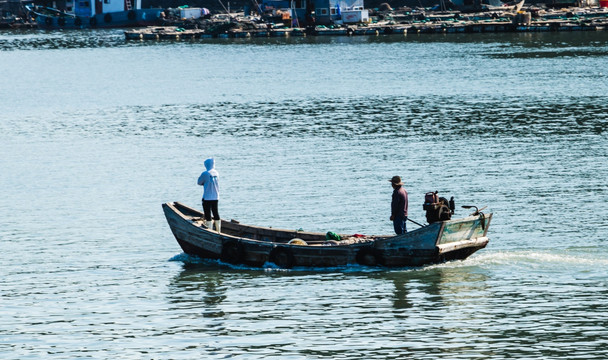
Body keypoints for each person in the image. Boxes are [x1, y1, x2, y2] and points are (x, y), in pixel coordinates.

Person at [197, 158, 221, 233]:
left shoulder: (205, 173)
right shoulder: (216, 173)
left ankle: (210, 231)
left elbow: (199, 182)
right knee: (216, 213)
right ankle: (218, 231)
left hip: (207, 197)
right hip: (216, 196)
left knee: (208, 214)